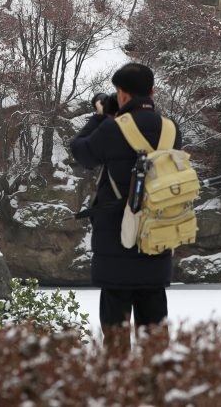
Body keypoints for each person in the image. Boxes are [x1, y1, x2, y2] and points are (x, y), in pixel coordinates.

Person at [67, 62, 182, 350]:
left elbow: (82, 152)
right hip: (156, 240)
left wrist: (99, 117)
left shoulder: (112, 129)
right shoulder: (171, 130)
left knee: (116, 338)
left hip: (117, 243)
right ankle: (154, 388)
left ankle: (119, 389)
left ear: (121, 94)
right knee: (155, 338)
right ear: (152, 91)